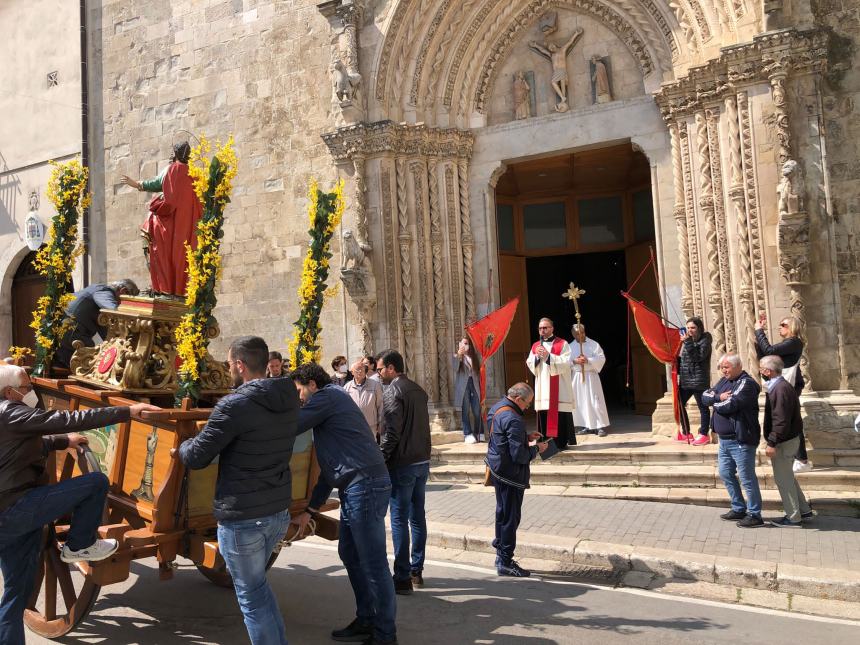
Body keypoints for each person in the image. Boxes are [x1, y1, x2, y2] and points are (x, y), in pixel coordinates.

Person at [0, 364, 158, 644]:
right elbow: (66, 418)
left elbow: (25, 445)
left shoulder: (9, 417)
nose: (30, 393)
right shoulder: (12, 413)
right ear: (10, 392)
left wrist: (63, 441)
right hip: (17, 507)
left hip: (10, 514)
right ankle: (78, 546)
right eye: (26, 388)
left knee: (17, 594)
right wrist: (127, 412)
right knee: (96, 482)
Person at [178, 336, 299, 645]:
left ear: (241, 366)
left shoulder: (234, 405)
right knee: (257, 590)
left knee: (251, 598)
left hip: (243, 517)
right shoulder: (287, 396)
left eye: (230, 364)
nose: (229, 369)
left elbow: (196, 457)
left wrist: (181, 445)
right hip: (277, 512)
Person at [289, 363, 397, 645]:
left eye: (299, 390)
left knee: (373, 564)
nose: (298, 398)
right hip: (356, 486)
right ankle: (366, 619)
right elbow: (329, 469)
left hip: (366, 486)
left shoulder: (327, 397)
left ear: (312, 385)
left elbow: (293, 424)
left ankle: (385, 634)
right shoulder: (331, 405)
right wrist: (311, 510)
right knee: (349, 553)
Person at [376, 349, 431, 596]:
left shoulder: (393, 391)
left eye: (380, 369)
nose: (378, 374)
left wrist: (381, 459)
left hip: (403, 463)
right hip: (421, 460)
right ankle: (416, 570)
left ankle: (401, 576)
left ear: (391, 368)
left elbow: (392, 433)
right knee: (417, 516)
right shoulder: (418, 390)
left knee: (399, 518)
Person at [121, 141, 203, 296]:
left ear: (175, 154)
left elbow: (156, 184)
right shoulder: (196, 175)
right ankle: (180, 290)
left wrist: (137, 184)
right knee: (183, 257)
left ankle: (163, 287)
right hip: (189, 228)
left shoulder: (172, 170)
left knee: (150, 228)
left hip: (170, 225)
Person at [485, 383, 548, 577]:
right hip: (510, 475)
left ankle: (500, 554)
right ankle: (505, 560)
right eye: (527, 404)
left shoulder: (496, 408)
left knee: (502, 513)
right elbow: (519, 455)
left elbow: (501, 437)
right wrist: (537, 448)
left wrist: (524, 437)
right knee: (510, 518)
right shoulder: (513, 418)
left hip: (497, 469)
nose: (527, 408)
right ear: (518, 399)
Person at [702, 354, 764, 528]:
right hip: (724, 441)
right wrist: (717, 397)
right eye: (722, 367)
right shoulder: (723, 382)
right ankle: (738, 508)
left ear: (738, 366)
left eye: (727, 367)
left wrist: (715, 401)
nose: (723, 370)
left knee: (747, 478)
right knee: (725, 473)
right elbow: (705, 395)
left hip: (741, 440)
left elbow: (731, 404)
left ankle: (755, 514)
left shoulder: (747, 383)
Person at [760, 355, 814, 527]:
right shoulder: (780, 386)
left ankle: (793, 517)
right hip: (789, 438)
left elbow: (780, 420)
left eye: (761, 368)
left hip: (784, 441)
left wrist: (772, 442)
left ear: (768, 371)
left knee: (783, 479)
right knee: (787, 476)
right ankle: (803, 510)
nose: (760, 371)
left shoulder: (780, 389)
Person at [755, 313, 811, 472]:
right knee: (786, 419)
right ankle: (797, 457)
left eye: (783, 325)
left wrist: (759, 331)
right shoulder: (789, 344)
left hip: (786, 387)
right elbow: (767, 355)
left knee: (790, 420)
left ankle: (802, 459)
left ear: (793, 327)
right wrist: (758, 337)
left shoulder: (794, 342)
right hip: (780, 386)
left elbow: (769, 350)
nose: (780, 327)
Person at [54, 279, 140, 368]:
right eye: (128, 301)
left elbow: (106, 332)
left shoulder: (96, 288)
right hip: (73, 332)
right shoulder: (104, 291)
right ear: (123, 291)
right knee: (90, 361)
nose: (126, 305)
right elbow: (112, 310)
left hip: (67, 330)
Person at [526, 317, 575, 449]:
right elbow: (530, 363)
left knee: (559, 413)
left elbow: (566, 362)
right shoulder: (536, 345)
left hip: (559, 387)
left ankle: (560, 443)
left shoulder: (562, 344)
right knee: (544, 413)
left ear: (552, 328)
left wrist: (548, 356)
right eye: (540, 328)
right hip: (543, 386)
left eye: (545, 327)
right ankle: (545, 445)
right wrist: (536, 357)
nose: (542, 330)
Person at [677, 316, 713, 445]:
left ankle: (704, 434)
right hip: (686, 380)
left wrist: (687, 343)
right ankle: (686, 432)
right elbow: (684, 360)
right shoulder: (688, 341)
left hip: (699, 381)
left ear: (699, 328)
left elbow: (698, 357)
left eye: (693, 328)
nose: (690, 330)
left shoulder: (705, 341)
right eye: (688, 328)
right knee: (679, 404)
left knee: (703, 408)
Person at [570, 324, 610, 437]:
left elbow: (601, 359)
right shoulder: (569, 346)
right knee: (580, 402)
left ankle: (599, 426)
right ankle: (584, 425)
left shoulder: (594, 344)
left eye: (582, 332)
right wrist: (575, 361)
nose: (581, 335)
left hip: (591, 377)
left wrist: (588, 360)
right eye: (577, 334)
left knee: (595, 401)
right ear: (573, 335)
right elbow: (566, 362)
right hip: (577, 377)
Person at [344, 359, 385, 442]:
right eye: (357, 369)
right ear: (352, 372)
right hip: (353, 426)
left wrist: (380, 423)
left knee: (370, 448)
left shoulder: (375, 385)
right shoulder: (347, 387)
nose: (360, 371)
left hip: (370, 425)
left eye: (362, 369)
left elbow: (381, 405)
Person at [453, 336, 484, 444]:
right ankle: (467, 433)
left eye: (467, 343)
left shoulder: (474, 357)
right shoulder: (457, 356)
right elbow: (454, 368)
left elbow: (479, 372)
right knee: (465, 409)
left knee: (476, 409)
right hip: (464, 385)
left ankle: (479, 432)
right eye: (463, 343)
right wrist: (459, 355)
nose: (465, 345)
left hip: (474, 384)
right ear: (460, 344)